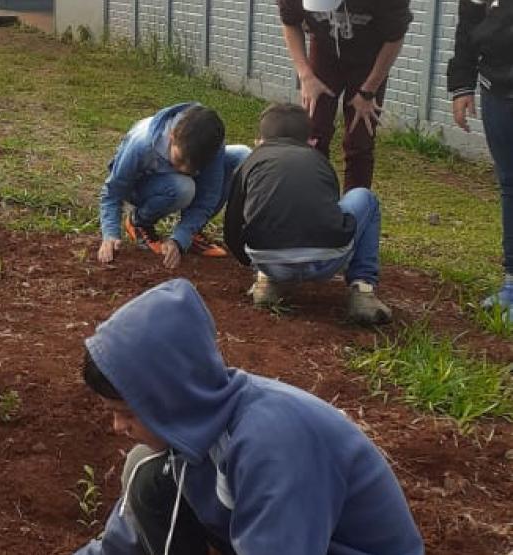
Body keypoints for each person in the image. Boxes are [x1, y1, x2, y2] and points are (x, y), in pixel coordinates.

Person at [73, 278, 424, 555]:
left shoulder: (274, 442)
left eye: (126, 413)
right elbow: (119, 544)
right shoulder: (197, 413)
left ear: (165, 398)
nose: (118, 427)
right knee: (146, 472)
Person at [223, 103, 392, 325]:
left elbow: (232, 227)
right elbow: (327, 210)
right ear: (311, 141)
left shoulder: (250, 163)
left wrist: (253, 262)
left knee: (266, 213)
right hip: (327, 260)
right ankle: (363, 290)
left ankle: (266, 282)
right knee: (364, 197)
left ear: (259, 142)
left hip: (269, 259)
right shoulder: (319, 161)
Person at [97, 102, 251, 269]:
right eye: (178, 160)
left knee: (242, 157)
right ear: (172, 136)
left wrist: (179, 240)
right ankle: (139, 222)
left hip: (176, 182)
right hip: (143, 187)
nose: (183, 169)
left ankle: (191, 231)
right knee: (184, 187)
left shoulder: (212, 145)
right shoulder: (142, 144)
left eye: (194, 168)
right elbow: (113, 191)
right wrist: (110, 233)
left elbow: (208, 197)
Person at [277, 0, 412, 190]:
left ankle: (355, 208)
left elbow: (395, 38)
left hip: (369, 57)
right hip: (324, 49)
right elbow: (290, 23)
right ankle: (314, 200)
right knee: (313, 131)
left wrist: (368, 91)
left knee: (360, 137)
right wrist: (306, 76)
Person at [448, 0, 513, 320]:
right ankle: (512, 284)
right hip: (499, 91)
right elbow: (468, 24)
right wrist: (461, 86)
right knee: (510, 186)